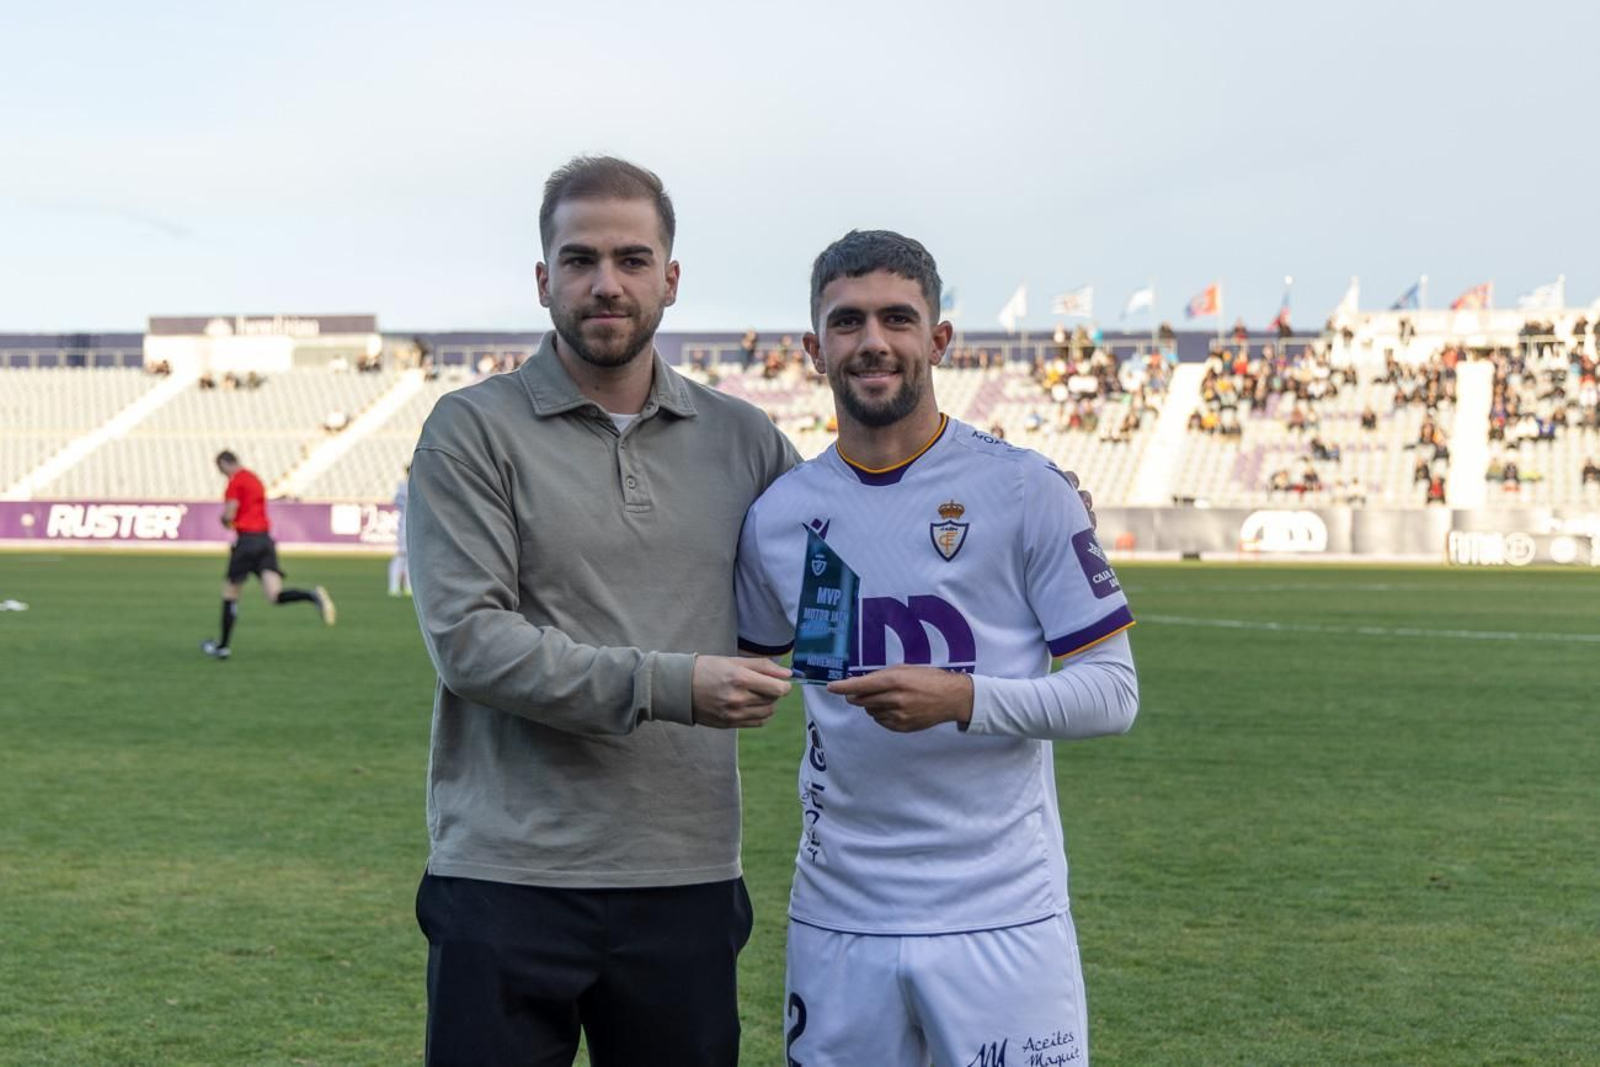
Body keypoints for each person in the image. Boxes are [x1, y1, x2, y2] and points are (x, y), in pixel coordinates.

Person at [405, 156, 801, 1067]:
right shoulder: (472, 430)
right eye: (580, 259)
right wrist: (675, 684)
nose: (606, 283)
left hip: (688, 875)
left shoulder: (747, 440)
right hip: (507, 875)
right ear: (544, 279)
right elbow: (471, 643)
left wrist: (1017, 498)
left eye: (632, 258)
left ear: (671, 276)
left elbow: (859, 556)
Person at [734, 230, 1138, 1066]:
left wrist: (966, 701)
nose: (872, 341)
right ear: (815, 348)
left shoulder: (1025, 488)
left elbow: (1112, 693)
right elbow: (752, 673)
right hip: (839, 917)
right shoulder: (779, 516)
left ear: (939, 339)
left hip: (1002, 917)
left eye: (897, 318)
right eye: (847, 322)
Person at [200, 451, 334, 660]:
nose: (222, 474)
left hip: (246, 542)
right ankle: (311, 596)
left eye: (221, 469)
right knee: (274, 595)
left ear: (225, 464)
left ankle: (223, 647)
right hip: (265, 541)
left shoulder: (235, 482)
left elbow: (230, 513)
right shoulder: (255, 479)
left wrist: (225, 521)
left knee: (230, 594)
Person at [387, 465, 411, 597]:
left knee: (409, 558)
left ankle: (407, 587)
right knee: (402, 555)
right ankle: (394, 587)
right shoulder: (406, 486)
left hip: (409, 523)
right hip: (406, 524)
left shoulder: (404, 486)